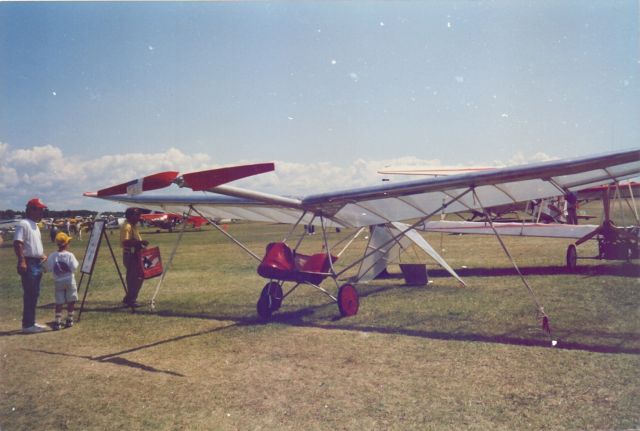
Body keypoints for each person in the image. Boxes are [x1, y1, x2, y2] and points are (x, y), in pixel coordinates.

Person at [13, 198, 48, 333]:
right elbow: (18, 243)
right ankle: (27, 325)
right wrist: (21, 260)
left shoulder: (34, 225)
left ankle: (31, 322)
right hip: (29, 262)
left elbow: (33, 245)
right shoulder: (23, 224)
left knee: (35, 293)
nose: (42, 212)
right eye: (40, 209)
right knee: (30, 293)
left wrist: (42, 255)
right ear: (32, 210)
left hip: (37, 262)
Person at [45, 232, 79, 330]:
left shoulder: (52, 255)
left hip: (58, 281)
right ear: (66, 244)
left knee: (59, 301)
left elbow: (49, 268)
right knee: (71, 299)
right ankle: (70, 319)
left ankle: (58, 321)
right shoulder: (70, 255)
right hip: (69, 280)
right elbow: (74, 267)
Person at [120, 207, 148, 307]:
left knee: (137, 277)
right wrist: (140, 243)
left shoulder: (133, 226)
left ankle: (129, 298)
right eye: (137, 215)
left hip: (135, 255)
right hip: (131, 255)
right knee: (134, 279)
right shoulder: (127, 226)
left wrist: (141, 244)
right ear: (131, 215)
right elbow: (126, 242)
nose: (139, 217)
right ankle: (131, 300)